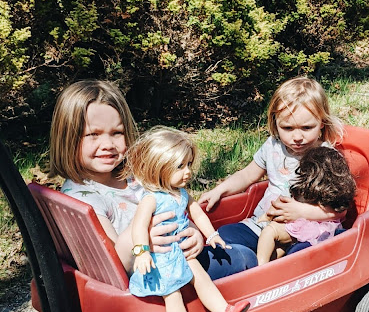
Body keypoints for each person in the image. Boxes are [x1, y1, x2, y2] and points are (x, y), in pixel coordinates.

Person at [49, 80, 257, 277]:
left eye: (117, 132)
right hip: (158, 278)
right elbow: (114, 267)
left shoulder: (135, 176)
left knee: (240, 248)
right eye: (93, 134)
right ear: (68, 137)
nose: (108, 144)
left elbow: (178, 210)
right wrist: (142, 239)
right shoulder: (83, 199)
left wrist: (194, 235)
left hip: (178, 257)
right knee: (244, 257)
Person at [124, 127, 250, 312]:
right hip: (161, 258)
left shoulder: (181, 194)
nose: (188, 172)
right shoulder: (151, 199)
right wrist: (142, 252)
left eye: (189, 164)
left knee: (201, 278)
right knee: (172, 295)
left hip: (182, 252)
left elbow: (197, 213)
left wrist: (211, 234)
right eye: (180, 166)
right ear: (158, 167)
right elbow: (139, 227)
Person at [199, 77, 345, 255]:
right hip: (262, 224)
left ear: (321, 122)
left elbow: (339, 211)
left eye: (306, 128)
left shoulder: (327, 158)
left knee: (299, 254)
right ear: (276, 122)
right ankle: (252, 259)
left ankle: (269, 261)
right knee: (225, 234)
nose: (297, 137)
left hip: (303, 232)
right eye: (288, 128)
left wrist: (302, 211)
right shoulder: (273, 146)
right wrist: (220, 190)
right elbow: (247, 175)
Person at [256, 146, 356, 265]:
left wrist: (267, 216)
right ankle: (271, 264)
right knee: (281, 248)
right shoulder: (334, 194)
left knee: (269, 231)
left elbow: (281, 202)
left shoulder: (305, 190)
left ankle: (260, 265)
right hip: (322, 230)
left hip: (304, 227)